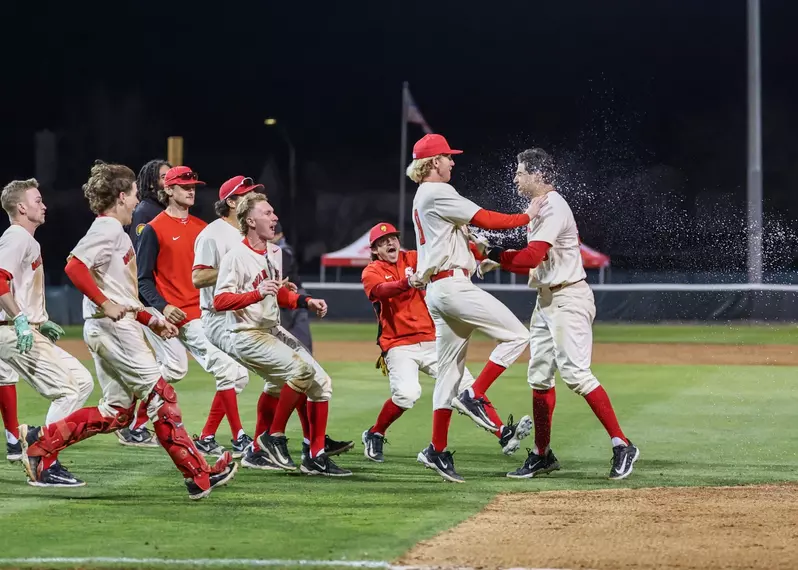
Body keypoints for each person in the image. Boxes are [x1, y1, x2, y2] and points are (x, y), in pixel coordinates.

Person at [18, 160, 236, 498]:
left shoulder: (114, 232)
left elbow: (123, 295)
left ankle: (40, 445)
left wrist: (151, 319)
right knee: (161, 396)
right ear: (121, 196)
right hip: (112, 329)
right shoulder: (106, 229)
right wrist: (105, 304)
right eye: (134, 194)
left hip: (113, 327)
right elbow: (75, 267)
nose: (138, 201)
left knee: (117, 412)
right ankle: (199, 475)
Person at [479, 148, 640, 480]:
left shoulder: (553, 206)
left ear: (538, 175)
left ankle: (622, 444)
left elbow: (528, 258)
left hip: (569, 298)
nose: (515, 177)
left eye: (520, 172)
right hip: (547, 299)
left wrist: (491, 250)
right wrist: (499, 256)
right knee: (539, 379)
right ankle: (542, 454)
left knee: (577, 376)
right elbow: (532, 258)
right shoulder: (538, 209)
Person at [407, 133, 544, 483]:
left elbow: (465, 236)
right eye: (448, 157)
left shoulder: (424, 196)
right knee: (517, 335)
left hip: (440, 288)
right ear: (433, 162)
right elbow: (485, 218)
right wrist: (525, 216)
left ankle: (436, 450)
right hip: (452, 287)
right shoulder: (438, 191)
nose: (453, 161)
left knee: (449, 372)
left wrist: (479, 255)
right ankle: (475, 394)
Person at [360, 222, 531, 463]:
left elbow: (447, 255)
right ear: (375, 250)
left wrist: (479, 251)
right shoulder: (372, 270)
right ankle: (375, 433)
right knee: (407, 395)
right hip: (399, 344)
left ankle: (503, 432)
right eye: (382, 242)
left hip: (432, 340)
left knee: (466, 387)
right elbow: (380, 291)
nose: (390, 243)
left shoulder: (415, 258)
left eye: (393, 238)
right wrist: (407, 283)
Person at [213, 192, 352, 476]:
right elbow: (219, 301)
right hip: (246, 333)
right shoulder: (236, 256)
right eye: (267, 213)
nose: (274, 217)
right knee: (300, 372)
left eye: (273, 213)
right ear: (250, 220)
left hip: (270, 329)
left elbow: (280, 294)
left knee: (322, 384)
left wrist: (305, 301)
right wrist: (254, 294)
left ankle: (314, 455)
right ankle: (272, 437)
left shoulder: (275, 253)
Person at [137, 166, 253, 457]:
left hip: (203, 313)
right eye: (184, 186)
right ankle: (237, 436)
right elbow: (142, 280)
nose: (191, 190)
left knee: (227, 374)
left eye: (193, 186)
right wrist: (164, 307)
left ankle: (204, 435)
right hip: (173, 313)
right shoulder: (154, 228)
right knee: (229, 370)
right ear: (168, 190)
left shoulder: (202, 228)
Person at [0, 178, 94, 479]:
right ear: (21, 207)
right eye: (37, 200)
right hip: (11, 331)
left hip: (23, 328)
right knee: (66, 392)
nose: (44, 205)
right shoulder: (17, 236)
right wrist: (21, 320)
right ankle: (43, 461)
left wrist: (38, 319)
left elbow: (17, 286)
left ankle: (37, 446)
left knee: (81, 383)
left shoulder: (26, 239)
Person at [117, 158, 188, 447]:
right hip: (146, 299)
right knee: (173, 365)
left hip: (156, 299)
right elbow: (142, 264)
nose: (168, 180)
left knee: (165, 364)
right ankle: (135, 421)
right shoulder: (146, 213)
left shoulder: (159, 212)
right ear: (149, 182)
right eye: (162, 177)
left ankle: (136, 418)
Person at [269, 221, 313, 354]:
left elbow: (280, 275)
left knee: (290, 339)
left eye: (273, 234)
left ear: (279, 235)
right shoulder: (273, 251)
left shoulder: (282, 251)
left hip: (291, 297)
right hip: (286, 298)